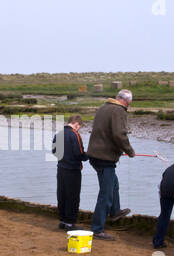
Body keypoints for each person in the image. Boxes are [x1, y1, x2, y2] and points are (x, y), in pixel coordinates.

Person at [85, 89, 135, 241]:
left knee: (114, 184)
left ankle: (115, 211)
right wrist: (129, 150)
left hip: (95, 155)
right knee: (106, 194)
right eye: (129, 104)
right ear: (126, 102)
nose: (128, 107)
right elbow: (119, 134)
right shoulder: (118, 111)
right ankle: (97, 229)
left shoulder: (104, 107)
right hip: (104, 157)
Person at [51, 114, 88, 229]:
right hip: (73, 171)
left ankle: (62, 221)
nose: (79, 129)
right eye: (79, 127)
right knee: (73, 196)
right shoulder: (74, 134)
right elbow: (79, 154)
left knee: (62, 194)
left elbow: (54, 151)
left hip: (61, 169)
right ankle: (70, 223)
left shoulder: (58, 134)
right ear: (76, 124)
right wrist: (89, 155)